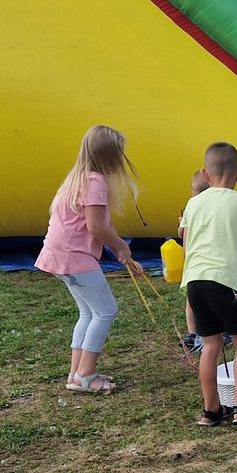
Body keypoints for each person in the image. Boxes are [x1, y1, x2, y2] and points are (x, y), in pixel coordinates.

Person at [35, 125, 144, 394]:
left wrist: (121, 253)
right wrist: (122, 248)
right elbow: (96, 226)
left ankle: (76, 373)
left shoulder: (77, 178)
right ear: (109, 155)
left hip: (60, 256)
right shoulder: (95, 181)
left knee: (88, 312)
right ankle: (85, 374)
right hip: (74, 258)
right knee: (106, 311)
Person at [180, 142, 237, 426]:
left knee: (210, 344)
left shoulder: (193, 203)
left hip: (194, 280)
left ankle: (211, 410)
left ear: (205, 173)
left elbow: (188, 244)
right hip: (224, 281)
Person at [179, 170, 209, 354]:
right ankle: (215, 331)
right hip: (208, 264)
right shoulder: (213, 209)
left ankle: (193, 333)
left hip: (192, 265)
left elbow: (182, 233)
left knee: (192, 301)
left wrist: (181, 224)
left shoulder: (191, 205)